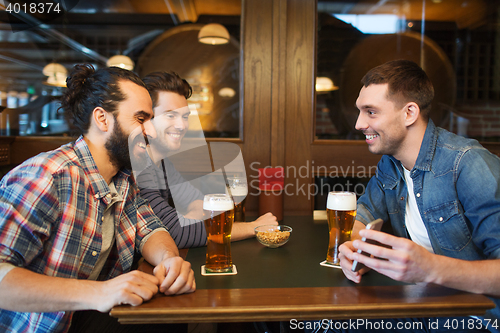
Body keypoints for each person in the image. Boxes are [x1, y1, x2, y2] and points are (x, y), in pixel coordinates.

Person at [0, 64, 196, 333]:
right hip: (43, 325)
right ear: (102, 119)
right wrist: (99, 292)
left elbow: (151, 229)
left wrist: (169, 259)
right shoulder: (47, 176)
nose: (151, 131)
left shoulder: (124, 177)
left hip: (86, 316)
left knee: (173, 320)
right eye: (141, 119)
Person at [309, 60, 500, 333]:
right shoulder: (391, 163)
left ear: (409, 113)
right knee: (317, 324)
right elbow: (364, 211)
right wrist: (355, 249)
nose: (358, 123)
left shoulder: (468, 164)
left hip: (478, 317)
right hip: (422, 303)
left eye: (371, 112)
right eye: (360, 111)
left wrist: (430, 268)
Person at [138, 71, 277, 248]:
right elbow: (177, 234)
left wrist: (190, 220)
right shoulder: (139, 168)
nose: (181, 125)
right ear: (147, 118)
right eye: (170, 115)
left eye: (185, 116)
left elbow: (199, 203)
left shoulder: (163, 164)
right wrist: (254, 227)